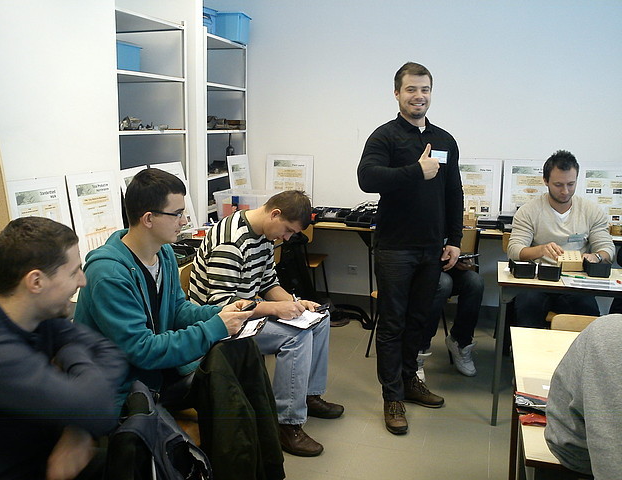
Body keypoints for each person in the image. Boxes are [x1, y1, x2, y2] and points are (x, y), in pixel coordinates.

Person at [74, 168, 285, 480]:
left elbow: (177, 310)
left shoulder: (164, 255)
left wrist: (222, 312)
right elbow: (142, 351)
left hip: (158, 376)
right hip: (123, 392)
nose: (185, 221)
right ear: (148, 219)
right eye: (177, 214)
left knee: (240, 351)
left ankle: (263, 465)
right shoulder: (108, 273)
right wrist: (216, 327)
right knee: (223, 382)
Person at [189, 190, 344, 457]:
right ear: (275, 214)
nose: (287, 238)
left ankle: (308, 395)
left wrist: (297, 304)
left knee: (319, 319)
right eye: (287, 230)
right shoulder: (231, 241)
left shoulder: (263, 236)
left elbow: (268, 283)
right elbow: (221, 304)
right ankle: (286, 423)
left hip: (246, 313)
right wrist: (274, 308)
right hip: (220, 322)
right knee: (296, 337)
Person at [357, 61, 464, 435]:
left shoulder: (445, 140)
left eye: (425, 89)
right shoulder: (384, 137)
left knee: (419, 321)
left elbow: (454, 192)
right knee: (393, 324)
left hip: (431, 248)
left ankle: (408, 381)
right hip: (395, 248)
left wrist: (454, 240)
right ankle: (392, 397)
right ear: (397, 93)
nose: (419, 96)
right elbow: (367, 178)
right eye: (411, 89)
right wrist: (416, 171)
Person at [0, 217, 128, 480]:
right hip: (17, 472)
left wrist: (77, 428)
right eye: (73, 272)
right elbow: (99, 409)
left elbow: (112, 354)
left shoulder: (39, 314)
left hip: (52, 458)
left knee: (133, 461)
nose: (83, 281)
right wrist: (83, 414)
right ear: (36, 282)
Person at [507, 150, 615, 328]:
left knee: (587, 311)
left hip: (575, 283)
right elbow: (514, 250)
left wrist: (596, 256)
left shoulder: (591, 211)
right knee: (527, 306)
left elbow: (607, 249)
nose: (565, 191)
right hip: (539, 282)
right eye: (558, 185)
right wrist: (541, 250)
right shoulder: (529, 211)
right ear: (545, 181)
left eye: (571, 184)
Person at [545, 313, 622, 479]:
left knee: (586, 305)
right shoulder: (610, 335)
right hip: (582, 458)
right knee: (529, 305)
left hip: (581, 452)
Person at [418, 260, 484, 379]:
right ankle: (417, 350)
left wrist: (459, 260)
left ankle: (459, 342)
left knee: (474, 282)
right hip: (417, 269)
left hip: (444, 268)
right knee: (444, 284)